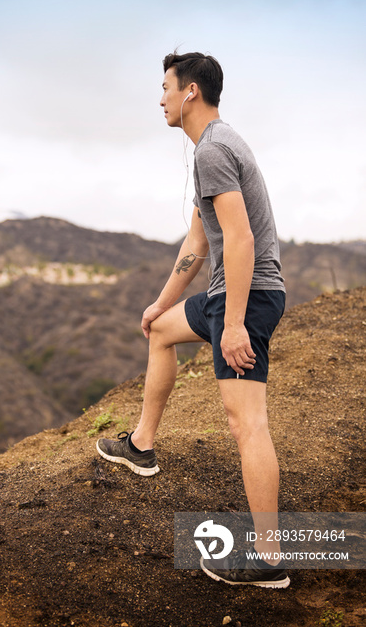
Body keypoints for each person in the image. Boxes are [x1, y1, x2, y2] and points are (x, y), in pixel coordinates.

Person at [96, 51, 289, 588]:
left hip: (247, 299)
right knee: (160, 333)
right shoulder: (213, 147)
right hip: (232, 293)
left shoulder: (214, 151)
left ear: (191, 93)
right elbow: (201, 239)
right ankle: (141, 447)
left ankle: (270, 560)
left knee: (245, 422)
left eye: (164, 88)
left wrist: (231, 326)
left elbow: (244, 240)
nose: (159, 99)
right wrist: (161, 302)